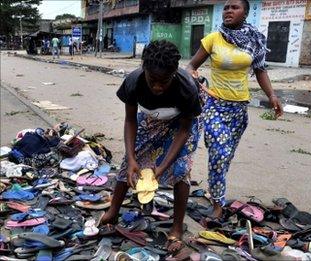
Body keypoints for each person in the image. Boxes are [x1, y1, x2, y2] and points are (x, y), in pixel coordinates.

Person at [100, 40, 202, 253]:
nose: (157, 87)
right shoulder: (133, 82)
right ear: (144, 69)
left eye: (163, 81)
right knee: (128, 166)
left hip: (181, 123)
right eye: (152, 80)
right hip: (149, 120)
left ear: (174, 72)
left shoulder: (187, 89)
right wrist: (132, 159)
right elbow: (130, 121)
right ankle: (113, 210)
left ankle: (176, 226)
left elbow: (184, 130)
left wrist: (163, 167)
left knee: (181, 169)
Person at [187, 0, 283, 219]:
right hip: (214, 106)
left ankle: (215, 190)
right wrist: (193, 76)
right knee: (219, 153)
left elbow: (260, 70)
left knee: (225, 156)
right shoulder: (213, 39)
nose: (228, 11)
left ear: (245, 13)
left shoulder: (254, 40)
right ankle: (218, 204)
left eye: (234, 7)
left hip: (239, 109)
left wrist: (272, 95)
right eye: (226, 7)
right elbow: (192, 65)